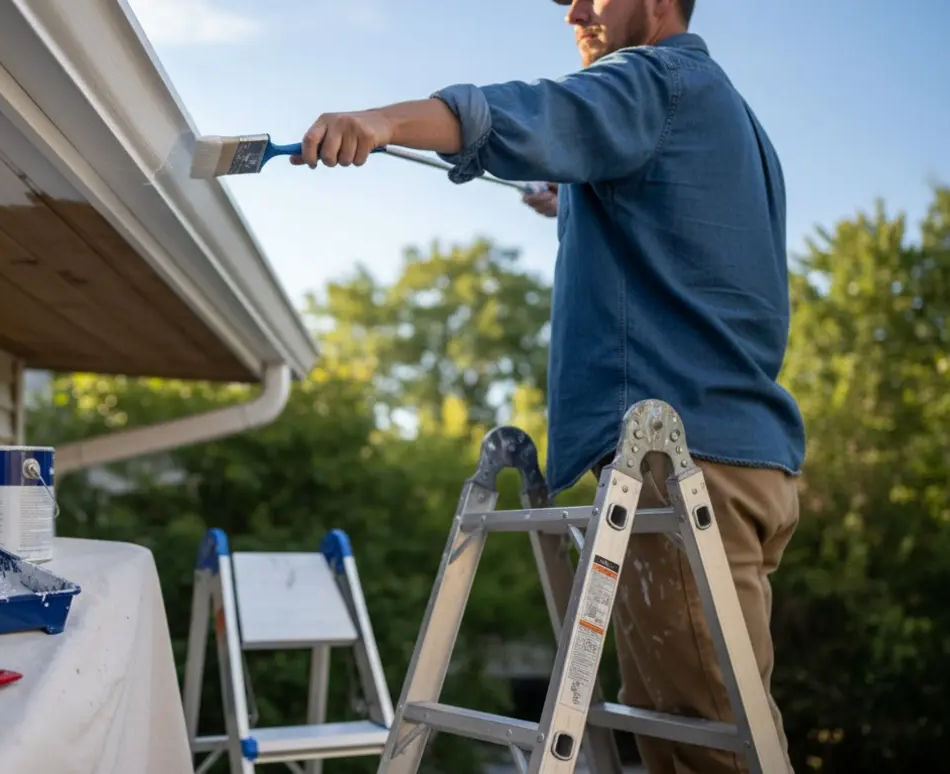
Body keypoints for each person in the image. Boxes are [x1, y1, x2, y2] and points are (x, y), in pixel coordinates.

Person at [292, 1, 805, 772]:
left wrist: (380, 120)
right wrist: (579, 203)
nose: (573, 7)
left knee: (699, 747)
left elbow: (527, 111)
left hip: (680, 467)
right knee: (726, 729)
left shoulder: (653, 79)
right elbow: (690, 238)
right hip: (748, 466)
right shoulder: (727, 112)